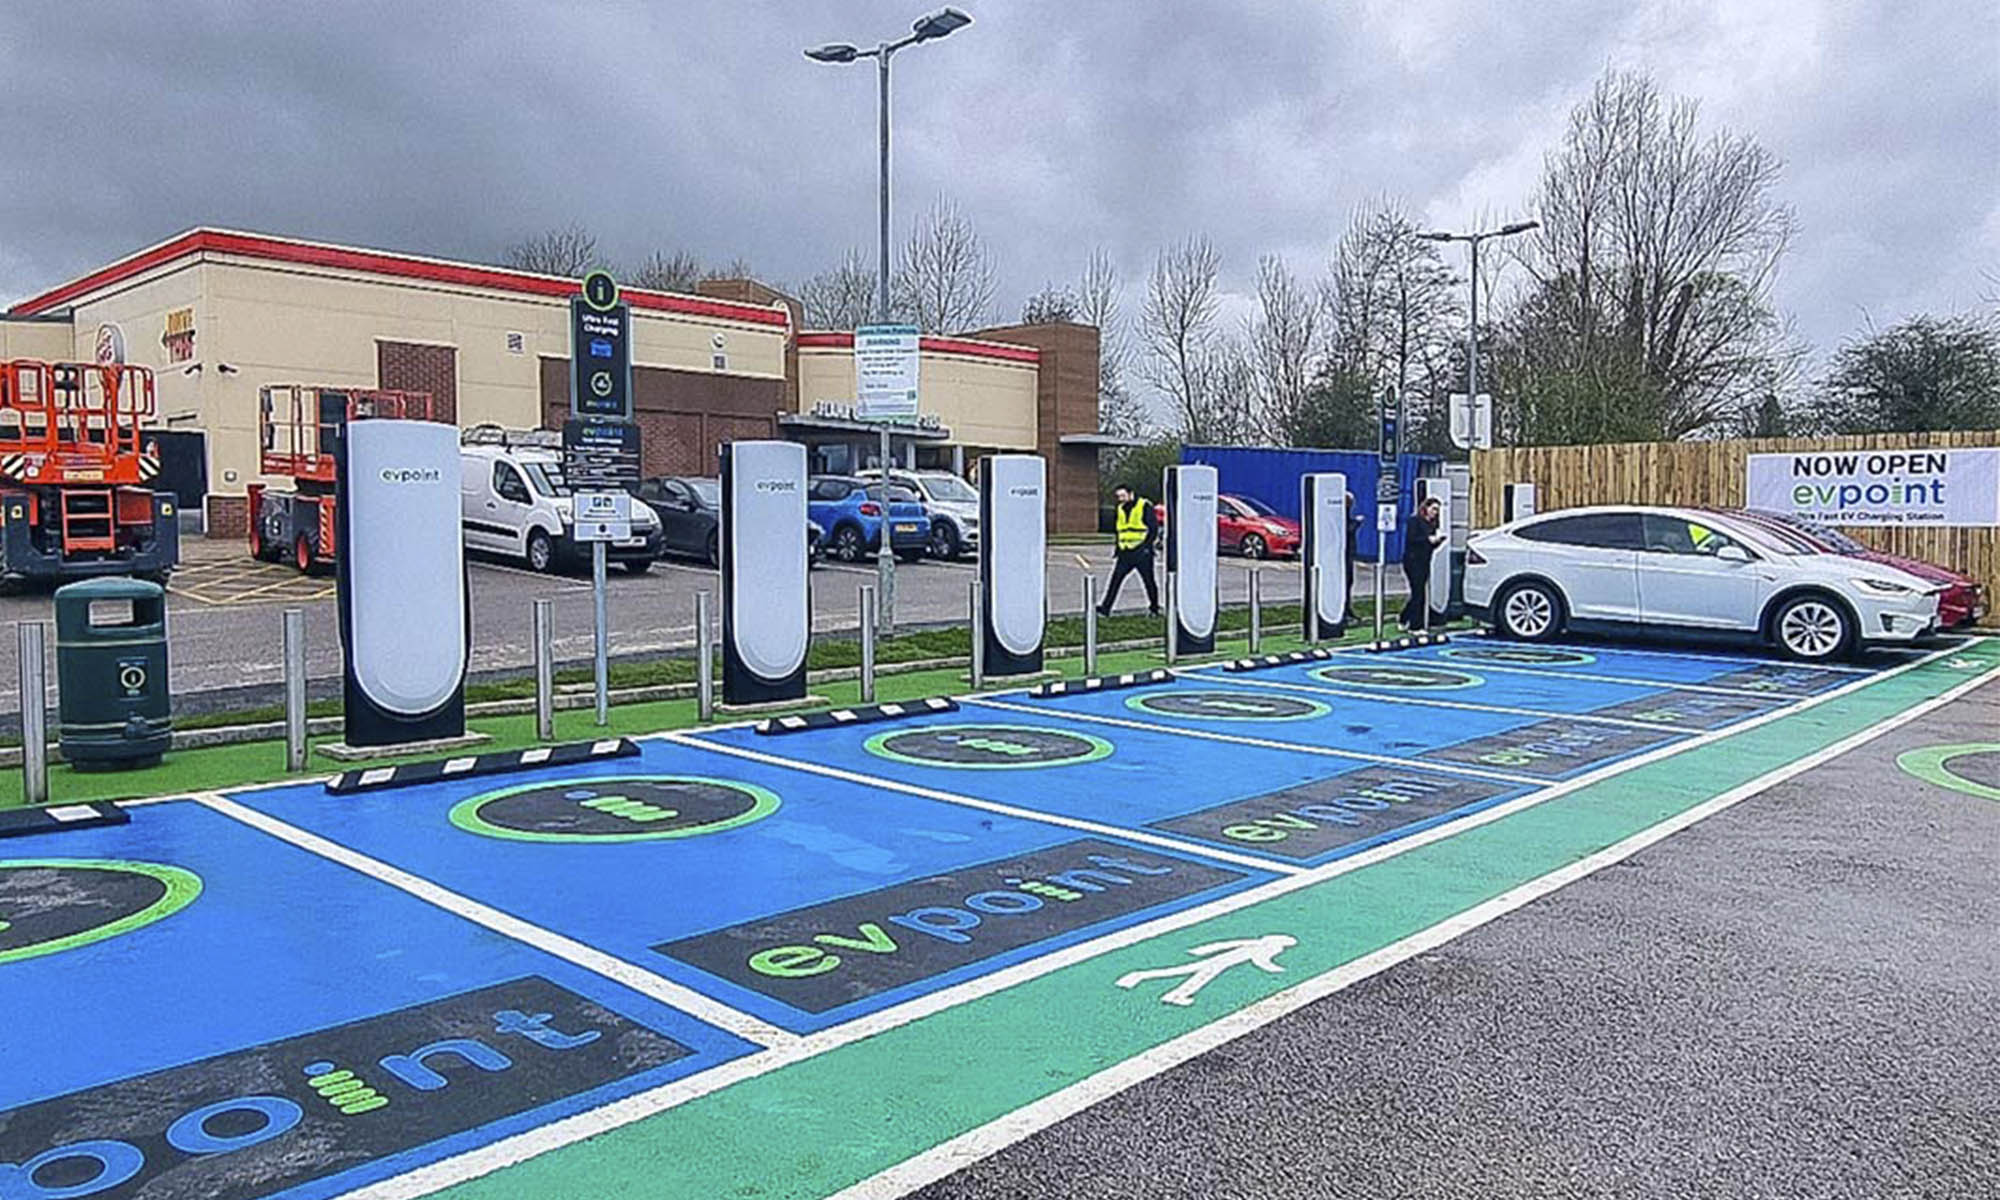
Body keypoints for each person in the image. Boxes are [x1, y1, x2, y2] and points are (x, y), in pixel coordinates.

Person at [1099, 483, 1161, 617]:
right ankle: (1105, 608)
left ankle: (1154, 608)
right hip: (1125, 551)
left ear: (1131, 493)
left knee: (1148, 581)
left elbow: (1153, 528)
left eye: (1123, 495)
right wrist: (1118, 548)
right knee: (1115, 581)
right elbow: (1120, 530)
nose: (1120, 499)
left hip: (1141, 552)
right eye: (1118, 496)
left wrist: (1146, 547)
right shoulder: (1120, 509)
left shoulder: (1144, 505)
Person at [1400, 496, 1445, 631]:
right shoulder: (1414, 521)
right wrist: (1428, 540)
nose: (1435, 512)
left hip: (1424, 561)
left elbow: (1429, 546)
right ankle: (1415, 625)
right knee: (1419, 593)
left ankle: (1404, 618)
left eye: (1437, 510)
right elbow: (1412, 539)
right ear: (1426, 508)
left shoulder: (1432, 524)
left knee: (1418, 592)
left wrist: (1437, 542)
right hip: (1413, 561)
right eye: (1433, 509)